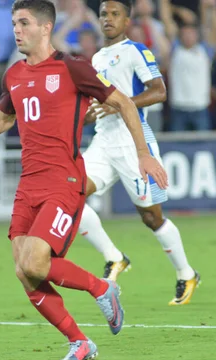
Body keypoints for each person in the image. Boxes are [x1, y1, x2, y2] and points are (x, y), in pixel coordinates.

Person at [0, 0, 167, 360]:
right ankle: (80, 342)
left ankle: (102, 288)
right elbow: (3, 120)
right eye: (14, 23)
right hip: (28, 185)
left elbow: (126, 105)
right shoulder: (14, 75)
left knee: (36, 262)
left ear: (45, 27)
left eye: (23, 23)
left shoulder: (73, 68)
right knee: (24, 270)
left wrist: (143, 154)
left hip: (64, 180)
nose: (16, 30)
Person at [75, 0, 200, 306]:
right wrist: (91, 113)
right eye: (104, 14)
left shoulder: (136, 51)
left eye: (115, 14)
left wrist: (118, 103)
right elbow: (98, 105)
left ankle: (186, 273)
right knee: (69, 196)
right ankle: (114, 257)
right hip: (104, 142)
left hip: (133, 141)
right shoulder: (97, 58)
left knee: (150, 217)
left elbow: (159, 91)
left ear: (127, 20)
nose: (108, 19)